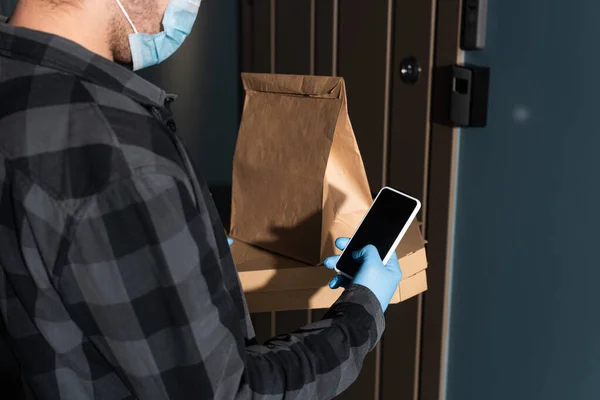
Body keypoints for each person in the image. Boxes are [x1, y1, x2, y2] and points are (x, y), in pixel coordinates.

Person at [0, 0, 403, 399]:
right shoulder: (122, 157)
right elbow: (232, 393)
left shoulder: (17, 74)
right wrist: (360, 314)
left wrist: (186, 262)